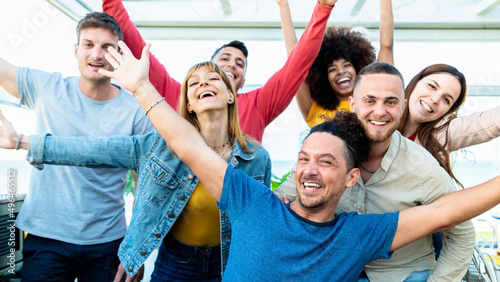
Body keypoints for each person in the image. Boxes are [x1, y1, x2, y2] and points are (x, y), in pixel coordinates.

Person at [89, 41, 500, 281]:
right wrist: (141, 87)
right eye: (303, 158)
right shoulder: (255, 203)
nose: (309, 169)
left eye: (326, 162)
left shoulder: (360, 234)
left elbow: (451, 210)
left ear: (351, 178)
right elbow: (188, 146)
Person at [0, 61, 272, 281]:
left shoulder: (256, 158)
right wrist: (21, 141)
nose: (203, 82)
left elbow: (262, 224)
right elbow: (93, 150)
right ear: (188, 104)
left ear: (230, 95)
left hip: (229, 266)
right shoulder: (158, 147)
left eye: (213, 79)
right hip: (176, 264)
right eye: (194, 82)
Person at [274, 62, 476, 281]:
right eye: (369, 101)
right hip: (338, 271)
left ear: (402, 106)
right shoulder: (324, 151)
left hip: (404, 274)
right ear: (352, 104)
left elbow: (462, 235)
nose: (379, 112)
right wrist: (278, 199)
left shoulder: (423, 168)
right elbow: (283, 202)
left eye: (390, 102)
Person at [0, 12, 153, 281]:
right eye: (88, 44)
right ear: (76, 49)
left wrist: (136, 248)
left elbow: (146, 184)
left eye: (107, 47)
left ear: (119, 53)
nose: (97, 54)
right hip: (46, 238)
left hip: (108, 243)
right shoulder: (48, 88)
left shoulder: (136, 112)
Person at [102, 0, 337, 141]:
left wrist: (322, 8)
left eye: (239, 64)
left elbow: (298, 63)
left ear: (242, 83)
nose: (232, 64)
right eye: (224, 59)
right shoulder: (177, 94)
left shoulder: (259, 104)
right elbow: (134, 41)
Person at [276, 0, 394, 127]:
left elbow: (386, 46)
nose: (341, 71)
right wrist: (283, 5)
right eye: (332, 69)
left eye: (347, 65)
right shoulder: (313, 107)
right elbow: (294, 60)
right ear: (323, 78)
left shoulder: (373, 105)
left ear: (359, 70)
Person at [399, 63, 500, 187]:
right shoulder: (379, 112)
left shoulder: (441, 134)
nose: (435, 99)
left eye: (446, 100)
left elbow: (487, 123)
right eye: (432, 86)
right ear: (416, 81)